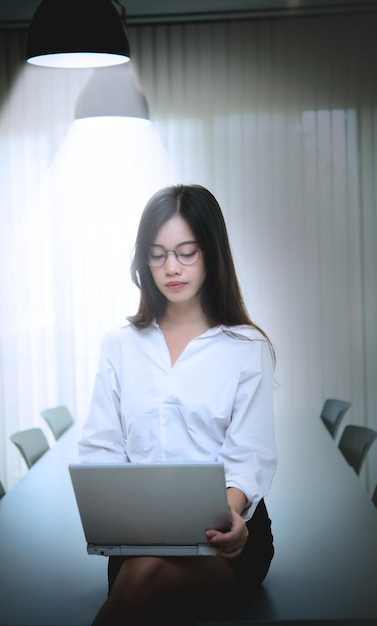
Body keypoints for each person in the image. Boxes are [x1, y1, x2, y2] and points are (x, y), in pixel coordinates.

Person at [78, 184, 277, 626]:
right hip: (142, 535)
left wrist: (232, 512)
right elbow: (100, 448)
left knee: (143, 583)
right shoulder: (119, 346)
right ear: (142, 260)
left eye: (187, 252)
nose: (172, 267)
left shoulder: (246, 347)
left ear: (212, 252)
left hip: (229, 534)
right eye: (157, 253)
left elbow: (250, 453)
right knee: (146, 575)